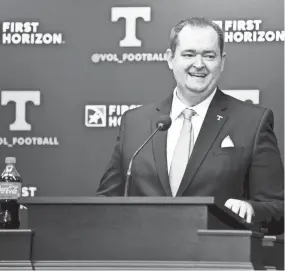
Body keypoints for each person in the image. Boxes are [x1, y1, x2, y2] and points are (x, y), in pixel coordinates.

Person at [96, 17, 284, 233]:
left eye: (209, 55)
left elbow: (277, 209)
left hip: (217, 261)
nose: (199, 64)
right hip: (142, 257)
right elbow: (106, 200)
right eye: (188, 54)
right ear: (170, 59)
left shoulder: (253, 122)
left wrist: (250, 209)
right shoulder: (135, 123)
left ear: (222, 62)